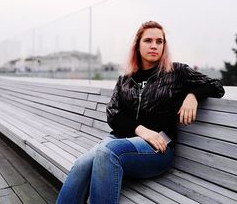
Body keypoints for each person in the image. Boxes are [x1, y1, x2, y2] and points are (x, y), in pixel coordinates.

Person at [56, 21, 225, 204]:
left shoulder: (176, 72)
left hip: (158, 147)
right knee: (83, 163)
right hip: (121, 139)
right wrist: (140, 130)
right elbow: (113, 113)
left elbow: (216, 86)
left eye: (159, 41)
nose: (154, 45)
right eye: (148, 40)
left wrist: (193, 95)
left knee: (107, 152)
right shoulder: (126, 78)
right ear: (137, 45)